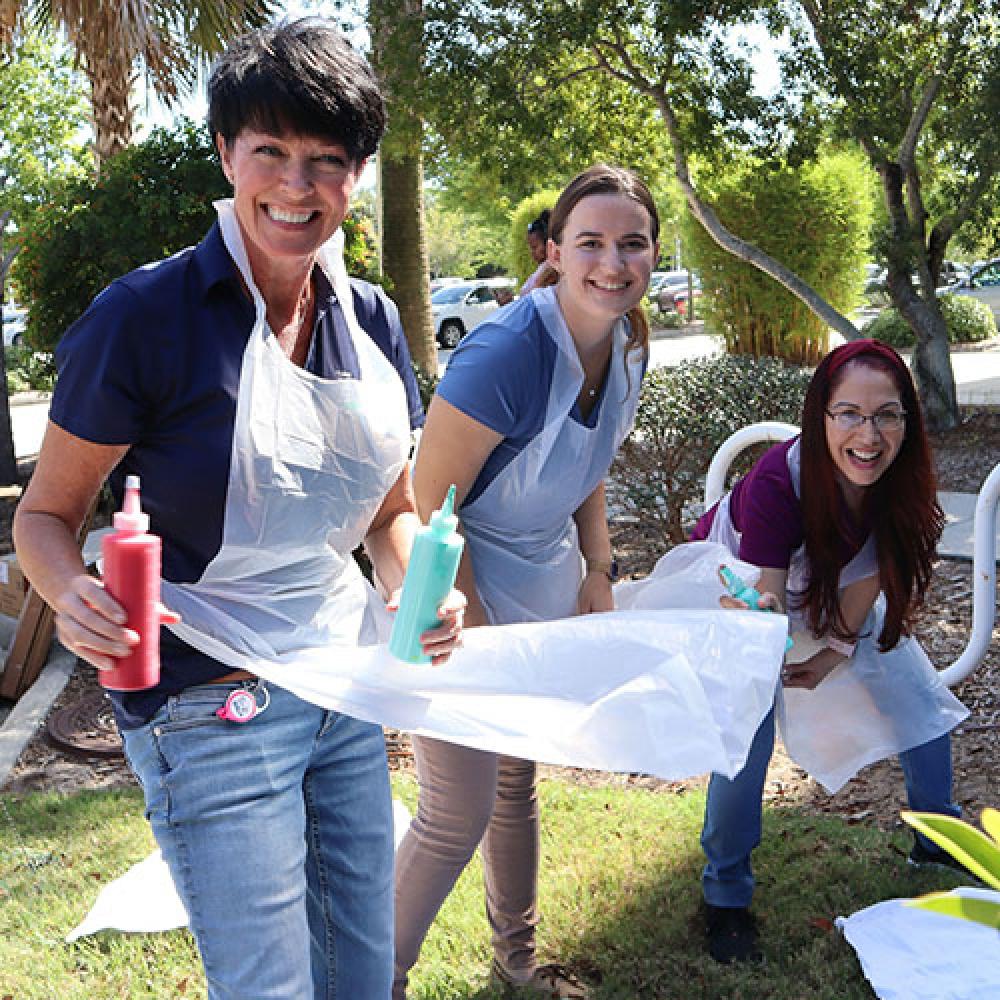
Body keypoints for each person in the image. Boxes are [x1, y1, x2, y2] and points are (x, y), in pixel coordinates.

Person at [13, 19, 464, 999]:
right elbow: (45, 515)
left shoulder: (372, 318)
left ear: (355, 176)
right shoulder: (146, 318)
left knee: (361, 972)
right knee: (269, 986)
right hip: (204, 700)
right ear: (227, 154)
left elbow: (390, 505)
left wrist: (415, 582)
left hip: (336, 683)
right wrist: (69, 592)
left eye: (327, 162)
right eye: (272, 154)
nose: (298, 189)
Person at [392, 164, 659, 999]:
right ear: (554, 251)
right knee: (454, 812)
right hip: (449, 583)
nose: (612, 263)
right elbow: (426, 498)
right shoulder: (505, 352)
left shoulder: (630, 342)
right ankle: (371, 981)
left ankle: (518, 968)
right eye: (590, 243)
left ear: (653, 252)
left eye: (632, 243)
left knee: (517, 783)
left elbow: (590, 467)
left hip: (543, 579)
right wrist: (461, 615)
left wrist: (599, 567)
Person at [690, 338, 967, 964]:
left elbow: (876, 572)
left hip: (824, 584)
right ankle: (725, 896)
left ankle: (938, 839)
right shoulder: (776, 482)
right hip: (734, 590)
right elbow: (760, 608)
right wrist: (777, 667)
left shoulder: (904, 483)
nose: (867, 435)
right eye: (849, 414)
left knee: (918, 695)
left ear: (906, 421)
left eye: (886, 415)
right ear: (821, 416)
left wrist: (839, 648)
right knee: (747, 726)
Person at [519, 209, 553, 295]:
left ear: (548, 244)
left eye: (534, 247)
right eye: (531, 248)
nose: (532, 252)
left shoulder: (550, 270)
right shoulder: (543, 268)